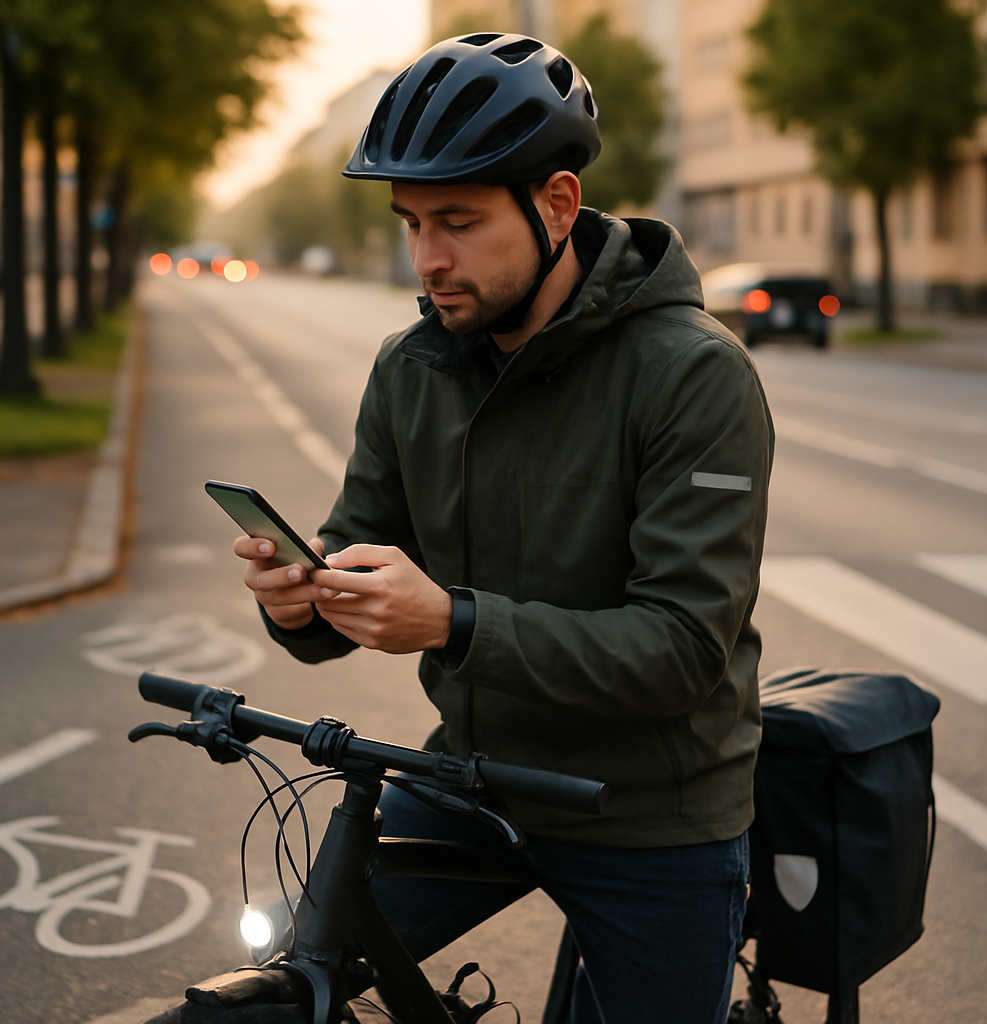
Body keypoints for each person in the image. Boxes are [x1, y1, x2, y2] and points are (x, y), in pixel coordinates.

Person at [235, 32, 774, 1024]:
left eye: (458, 221)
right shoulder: (414, 367)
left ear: (557, 205)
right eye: (409, 223)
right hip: (471, 780)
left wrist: (452, 622)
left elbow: (681, 650)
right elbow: (357, 544)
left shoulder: (694, 374)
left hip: (653, 812)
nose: (428, 257)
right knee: (288, 976)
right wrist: (301, 600)